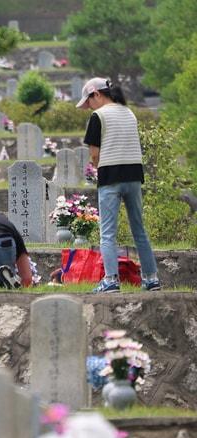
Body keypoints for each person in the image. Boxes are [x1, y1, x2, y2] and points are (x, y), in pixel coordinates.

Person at [79, 77, 160, 292]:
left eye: (89, 101)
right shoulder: (129, 113)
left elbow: (94, 154)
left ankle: (111, 280)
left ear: (97, 94)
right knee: (139, 229)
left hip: (110, 177)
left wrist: (95, 166)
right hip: (134, 175)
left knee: (107, 232)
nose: (89, 107)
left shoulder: (99, 116)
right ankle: (151, 278)